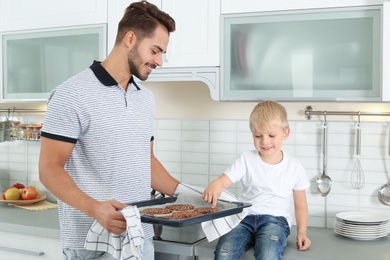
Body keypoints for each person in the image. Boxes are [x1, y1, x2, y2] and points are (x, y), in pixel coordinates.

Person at [38, 1, 180, 259]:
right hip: (91, 244)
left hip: (140, 238)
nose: (159, 61)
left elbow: (145, 161)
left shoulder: (145, 99)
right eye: (155, 51)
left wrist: (189, 194)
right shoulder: (71, 94)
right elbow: (49, 168)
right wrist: (94, 208)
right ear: (130, 38)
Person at [203, 100, 311, 260]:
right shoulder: (246, 159)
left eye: (271, 135)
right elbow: (224, 180)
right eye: (258, 136)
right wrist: (216, 183)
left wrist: (302, 233)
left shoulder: (295, 166)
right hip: (243, 218)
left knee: (268, 255)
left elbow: (300, 205)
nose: (265, 141)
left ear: (285, 134)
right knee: (224, 253)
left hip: (275, 221)